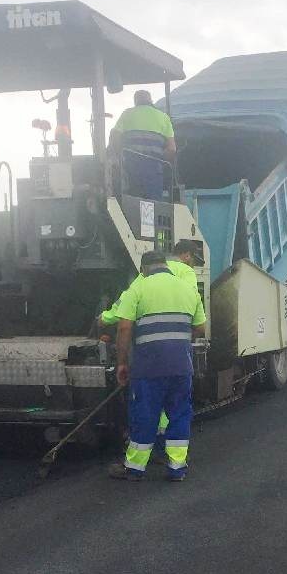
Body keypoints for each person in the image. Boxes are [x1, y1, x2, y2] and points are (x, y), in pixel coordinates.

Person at [109, 251, 206, 482]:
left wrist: (122, 363)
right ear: (167, 265)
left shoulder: (138, 289)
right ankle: (177, 468)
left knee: (145, 415)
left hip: (148, 368)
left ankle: (134, 469)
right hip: (182, 367)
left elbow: (124, 329)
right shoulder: (188, 290)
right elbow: (201, 328)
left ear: (144, 269)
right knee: (179, 415)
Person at [109, 89, 176, 200]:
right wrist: (159, 160)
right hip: (154, 170)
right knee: (153, 206)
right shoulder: (164, 117)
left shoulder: (127, 114)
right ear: (150, 100)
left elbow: (114, 137)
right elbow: (172, 149)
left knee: (132, 205)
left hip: (131, 169)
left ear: (135, 101)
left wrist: (118, 155)